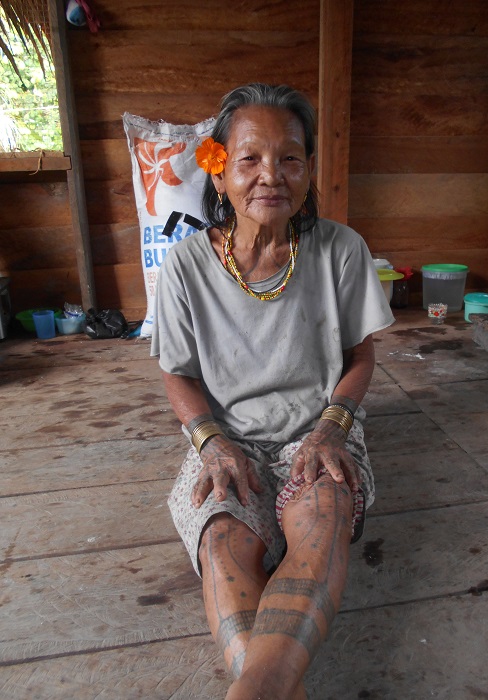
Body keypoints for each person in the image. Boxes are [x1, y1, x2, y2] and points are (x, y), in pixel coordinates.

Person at [151, 83, 394, 700]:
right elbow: (177, 372)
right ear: (219, 169)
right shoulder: (185, 266)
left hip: (318, 430)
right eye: (250, 159)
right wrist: (211, 445)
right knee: (223, 539)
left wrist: (330, 430)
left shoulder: (341, 250)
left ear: (308, 169)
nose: (271, 176)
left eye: (289, 158)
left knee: (325, 515)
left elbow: (361, 357)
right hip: (226, 437)